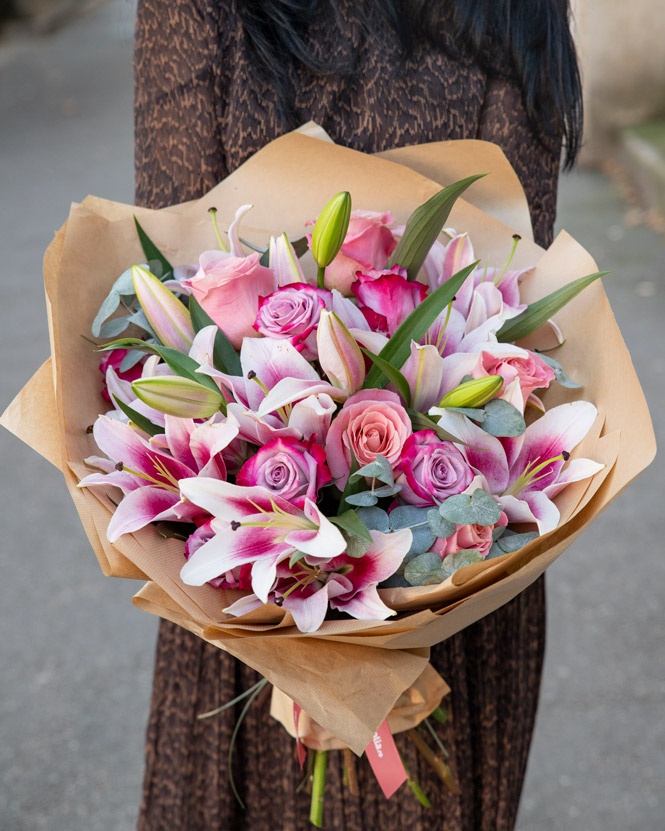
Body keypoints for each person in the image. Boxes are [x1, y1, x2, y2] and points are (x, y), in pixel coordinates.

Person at [133, 2, 582, 828]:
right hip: (266, 587)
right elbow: (172, 301)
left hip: (451, 580)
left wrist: (357, 634)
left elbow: (508, 294)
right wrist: (301, 643)